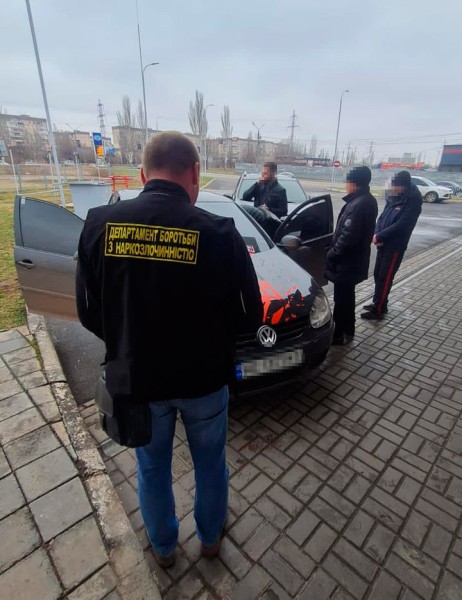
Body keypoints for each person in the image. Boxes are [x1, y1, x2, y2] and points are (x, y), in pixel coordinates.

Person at [76, 132, 263, 567]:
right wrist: (215, 341)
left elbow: (87, 311)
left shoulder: (100, 226)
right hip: (204, 382)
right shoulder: (220, 233)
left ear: (143, 174)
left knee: (153, 469)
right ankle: (211, 540)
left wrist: (126, 340)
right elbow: (250, 313)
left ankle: (163, 550)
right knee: (211, 466)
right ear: (195, 174)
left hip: (138, 383)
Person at [325, 166, 378, 345]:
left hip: (347, 262)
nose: (345, 185)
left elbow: (347, 238)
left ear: (354, 183)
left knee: (341, 300)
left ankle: (338, 335)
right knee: (348, 296)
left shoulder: (359, 204)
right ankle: (349, 328)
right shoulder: (365, 200)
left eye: (347, 181)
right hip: (354, 261)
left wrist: (331, 254)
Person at [361, 170, 422, 320]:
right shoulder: (394, 197)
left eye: (396, 186)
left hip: (394, 246)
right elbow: (382, 217)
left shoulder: (412, 201)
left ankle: (378, 310)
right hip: (383, 242)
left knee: (385, 277)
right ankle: (380, 302)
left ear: (404, 186)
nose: (393, 188)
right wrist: (376, 233)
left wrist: (380, 236)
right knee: (377, 275)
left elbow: (402, 225)